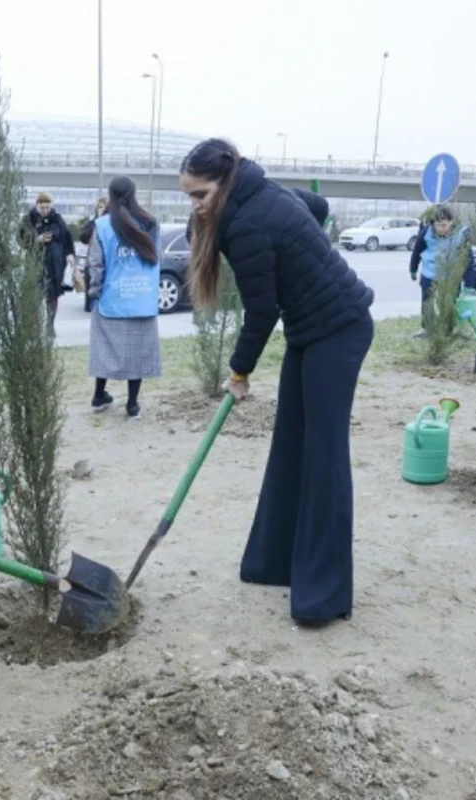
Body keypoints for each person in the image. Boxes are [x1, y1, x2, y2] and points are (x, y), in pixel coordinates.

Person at [180, 139, 375, 626]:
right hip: (309, 331)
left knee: (324, 456)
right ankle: (274, 562)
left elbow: (261, 312)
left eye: (200, 195)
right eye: (189, 196)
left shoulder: (248, 223)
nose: (196, 206)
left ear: (224, 183)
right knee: (291, 442)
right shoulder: (264, 193)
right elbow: (319, 206)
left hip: (341, 329)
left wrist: (239, 372)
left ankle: (324, 595)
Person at [87, 177, 161, 419]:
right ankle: (132, 404)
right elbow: (155, 260)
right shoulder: (150, 223)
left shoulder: (102, 225)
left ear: (110, 195)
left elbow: (95, 265)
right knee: (137, 354)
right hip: (142, 300)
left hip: (112, 300)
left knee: (104, 349)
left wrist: (94, 293)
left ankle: (99, 395)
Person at [408, 205, 475, 337]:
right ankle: (428, 329)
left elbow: (468, 259)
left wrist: (469, 284)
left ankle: (449, 330)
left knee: (450, 303)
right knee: (427, 302)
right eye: (437, 225)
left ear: (451, 222)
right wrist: (413, 269)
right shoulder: (426, 232)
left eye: (444, 225)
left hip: (451, 275)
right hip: (429, 272)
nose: (440, 229)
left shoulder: (462, 234)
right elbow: (417, 251)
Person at [21, 192, 75, 325]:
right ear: (36, 205)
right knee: (35, 296)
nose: (45, 210)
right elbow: (21, 239)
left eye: (47, 207)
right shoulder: (28, 220)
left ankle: (50, 325)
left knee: (52, 296)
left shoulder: (57, 219)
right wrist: (37, 240)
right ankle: (35, 327)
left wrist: (69, 254)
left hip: (55, 264)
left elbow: (66, 238)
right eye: (42, 207)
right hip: (35, 263)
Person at [77, 196, 108, 312]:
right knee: (91, 287)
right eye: (100, 207)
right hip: (91, 261)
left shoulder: (112, 224)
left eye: (104, 207)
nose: (102, 209)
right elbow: (83, 237)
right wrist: (97, 222)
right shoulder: (92, 223)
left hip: (106, 261)